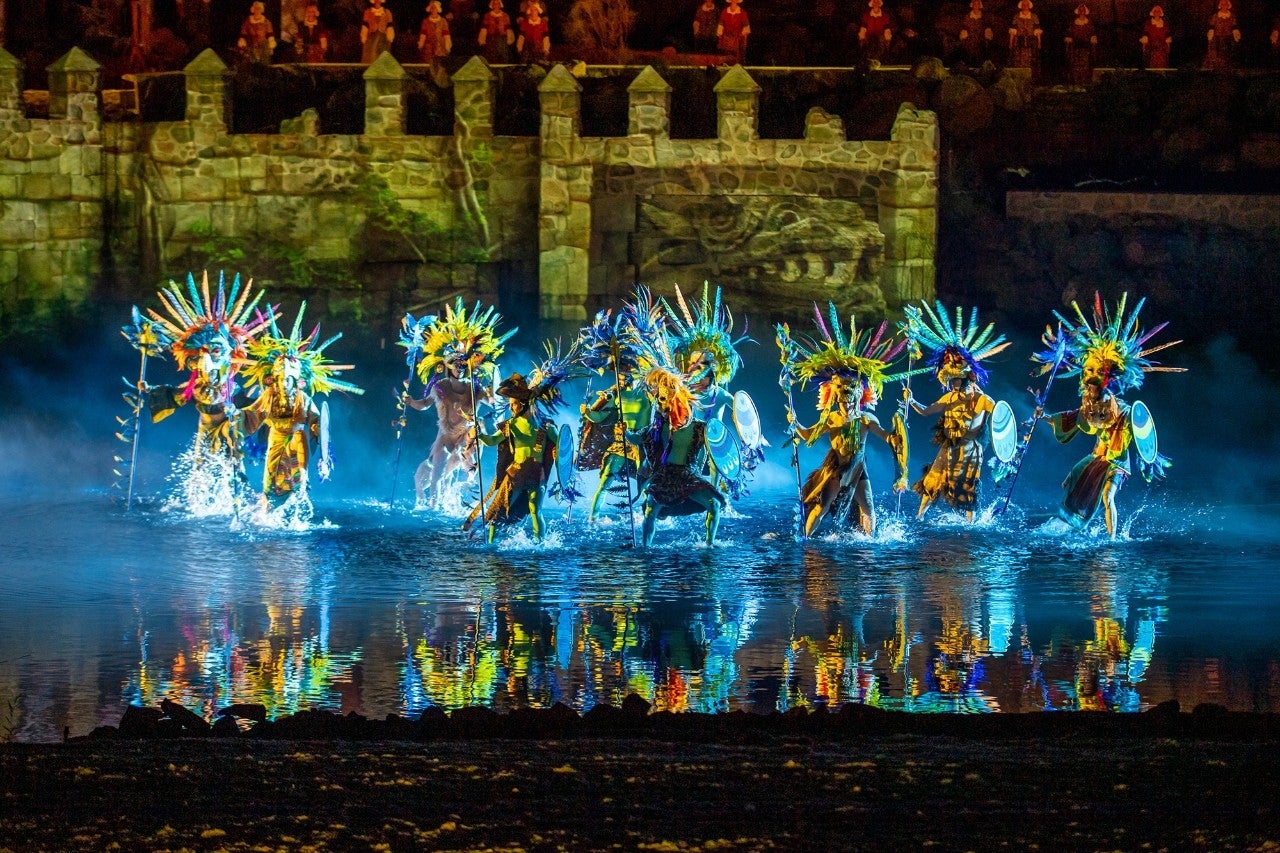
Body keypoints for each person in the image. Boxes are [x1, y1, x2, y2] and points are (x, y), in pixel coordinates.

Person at [1031, 294, 1184, 538]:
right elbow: (1071, 419)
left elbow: (1141, 430)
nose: (1089, 388)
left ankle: (1113, 540)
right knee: (1071, 484)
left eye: (1095, 381)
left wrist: (1147, 450)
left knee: (1107, 497)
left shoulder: (1121, 410)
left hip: (1117, 463)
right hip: (1098, 458)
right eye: (1088, 381)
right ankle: (1076, 527)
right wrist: (1044, 416)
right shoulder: (1089, 407)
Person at [777, 308, 909, 538]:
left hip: (859, 468)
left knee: (868, 508)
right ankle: (806, 539)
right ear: (836, 396)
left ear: (859, 395)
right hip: (837, 469)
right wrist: (795, 422)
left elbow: (886, 436)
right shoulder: (832, 418)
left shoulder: (866, 418)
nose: (846, 399)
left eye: (851, 394)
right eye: (842, 394)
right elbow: (808, 436)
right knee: (822, 506)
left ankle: (870, 541)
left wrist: (896, 437)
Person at [240, 307, 363, 507]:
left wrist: (319, 438)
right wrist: (235, 418)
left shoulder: (303, 398)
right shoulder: (269, 396)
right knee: (270, 481)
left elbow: (316, 422)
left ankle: (298, 504)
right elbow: (252, 416)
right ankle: (269, 508)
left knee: (298, 477)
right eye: (281, 379)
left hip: (297, 440)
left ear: (296, 380)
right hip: (275, 439)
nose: (284, 383)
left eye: (289, 379)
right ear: (275, 379)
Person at [901, 301, 1010, 523]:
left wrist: (1008, 445)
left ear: (968, 377)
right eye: (951, 380)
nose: (953, 385)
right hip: (948, 446)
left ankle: (971, 524)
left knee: (968, 487)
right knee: (932, 480)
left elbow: (1000, 417)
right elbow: (926, 411)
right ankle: (919, 516)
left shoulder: (982, 400)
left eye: (957, 380)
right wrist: (911, 401)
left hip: (970, 450)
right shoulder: (949, 398)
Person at [640, 367, 726, 547]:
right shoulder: (658, 429)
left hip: (688, 474)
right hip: (665, 475)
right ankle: (645, 547)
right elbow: (638, 437)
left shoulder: (700, 428)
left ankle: (709, 545)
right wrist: (626, 433)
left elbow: (714, 448)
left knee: (714, 504)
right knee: (650, 509)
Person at [1064, 4, 1097, 85]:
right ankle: (1075, 82)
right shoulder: (1073, 23)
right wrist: (1069, 39)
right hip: (1075, 48)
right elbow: (1069, 33)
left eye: (1083, 10)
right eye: (1080, 10)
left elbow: (1092, 33)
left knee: (1085, 64)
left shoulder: (1089, 23)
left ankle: (1084, 81)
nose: (1082, 11)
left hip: (1086, 48)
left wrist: (1092, 40)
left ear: (1085, 11)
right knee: (1075, 65)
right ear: (1078, 12)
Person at [1204, 0, 1241, 70]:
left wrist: (1236, 34)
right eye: (1223, 4)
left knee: (1228, 52)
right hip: (1218, 37)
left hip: (1229, 37)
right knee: (1218, 52)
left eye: (1226, 4)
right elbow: (1212, 26)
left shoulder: (1232, 16)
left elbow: (1234, 26)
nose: (1224, 6)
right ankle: (1218, 67)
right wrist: (1211, 33)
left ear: (1228, 6)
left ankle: (1228, 66)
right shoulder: (1215, 16)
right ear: (1220, 6)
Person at [957, 0, 994, 67]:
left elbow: (987, 27)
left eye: (978, 4)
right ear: (972, 5)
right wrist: (964, 35)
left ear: (980, 6)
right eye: (975, 4)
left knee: (981, 54)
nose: (976, 6)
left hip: (981, 39)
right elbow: (964, 27)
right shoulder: (967, 16)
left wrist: (987, 35)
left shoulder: (984, 17)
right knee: (968, 54)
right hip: (970, 39)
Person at [1007, 0, 1042, 72]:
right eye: (1023, 5)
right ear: (1021, 6)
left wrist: (1039, 42)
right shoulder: (1017, 16)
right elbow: (1013, 31)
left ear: (1029, 6)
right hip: (1019, 40)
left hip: (1031, 40)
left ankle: (1031, 74)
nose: (1025, 6)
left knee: (1031, 57)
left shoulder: (1034, 16)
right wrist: (1010, 42)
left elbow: (1037, 30)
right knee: (1018, 57)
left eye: (1026, 5)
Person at [418, 0, 452, 72]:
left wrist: (447, 45)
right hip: (429, 47)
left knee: (440, 65)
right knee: (429, 65)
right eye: (432, 8)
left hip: (440, 47)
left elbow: (446, 35)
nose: (433, 10)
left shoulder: (443, 21)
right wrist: (421, 43)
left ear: (438, 9)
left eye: (435, 8)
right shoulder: (425, 21)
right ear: (430, 9)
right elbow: (423, 34)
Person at [858, 0, 893, 66]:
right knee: (869, 44)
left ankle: (878, 60)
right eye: (874, 2)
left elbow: (886, 28)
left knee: (880, 43)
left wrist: (887, 39)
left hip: (880, 35)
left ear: (880, 4)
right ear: (872, 4)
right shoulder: (866, 15)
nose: (876, 3)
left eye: (877, 2)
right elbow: (863, 27)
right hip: (869, 35)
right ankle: (869, 61)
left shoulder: (885, 15)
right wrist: (862, 37)